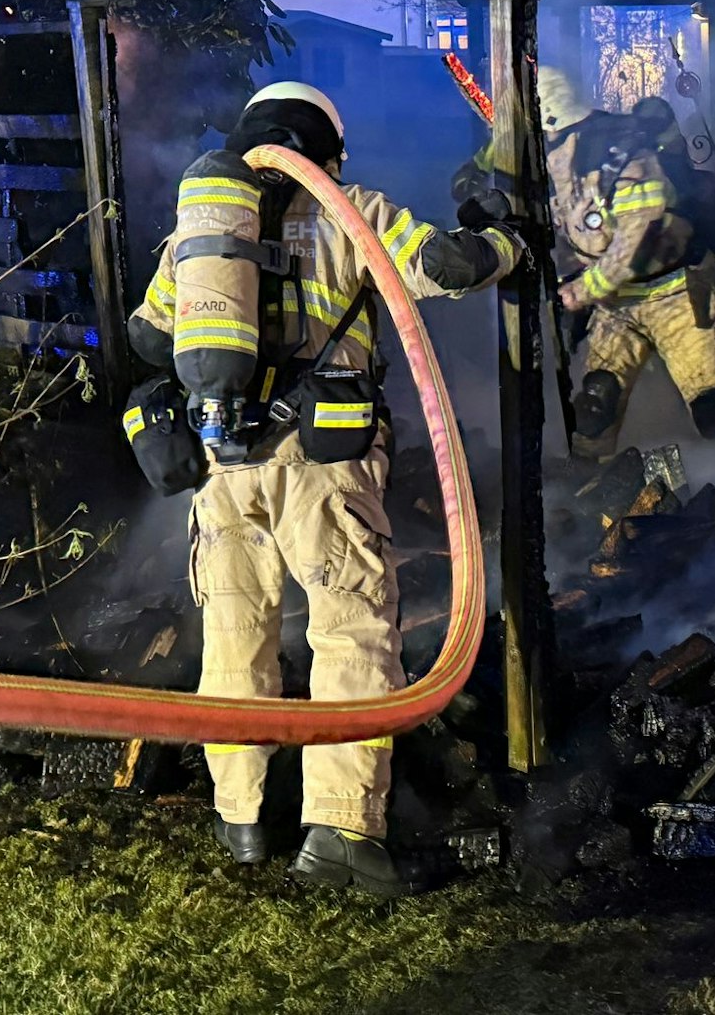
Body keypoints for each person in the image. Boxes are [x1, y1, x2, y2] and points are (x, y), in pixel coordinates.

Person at [125, 81, 520, 896]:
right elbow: (443, 265)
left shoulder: (202, 230)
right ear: (327, 149)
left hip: (223, 463)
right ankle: (341, 831)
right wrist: (509, 241)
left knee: (235, 637)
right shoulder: (349, 205)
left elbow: (147, 332)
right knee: (349, 631)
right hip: (322, 462)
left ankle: (243, 819)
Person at [510, 69, 715, 461]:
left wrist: (579, 293)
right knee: (594, 406)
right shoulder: (559, 167)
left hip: (677, 295)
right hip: (615, 305)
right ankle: (587, 502)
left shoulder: (627, 157)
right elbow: (569, 234)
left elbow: (634, 242)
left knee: (713, 407)